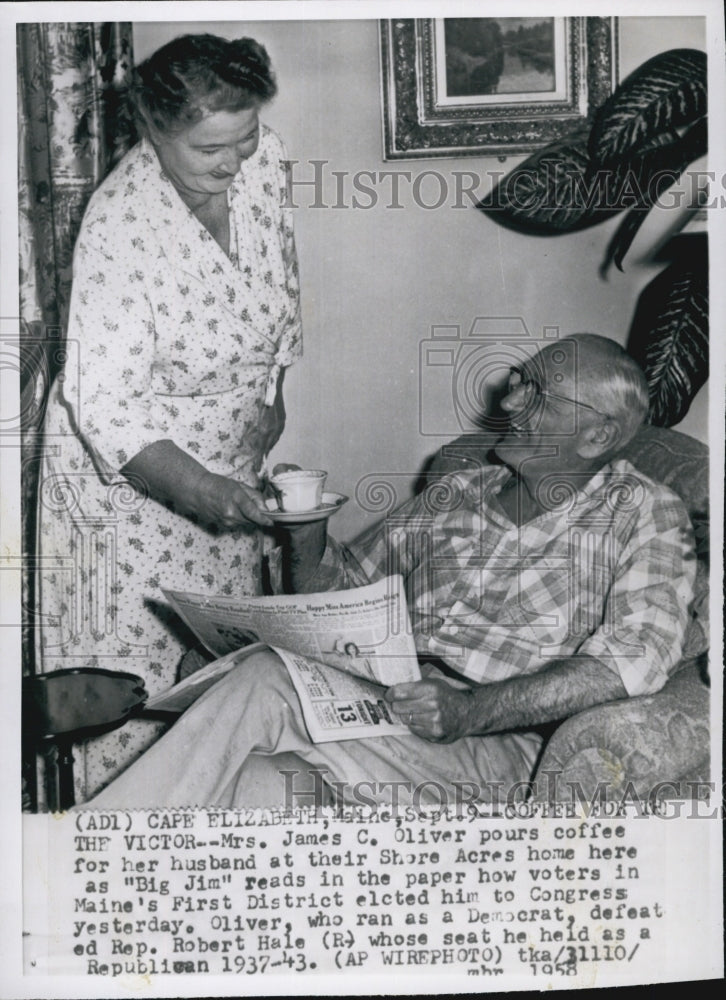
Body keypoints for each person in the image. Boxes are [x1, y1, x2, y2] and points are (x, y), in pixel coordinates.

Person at [86, 335, 696, 810]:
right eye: (518, 381)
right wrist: (306, 532)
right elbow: (334, 593)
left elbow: (631, 662)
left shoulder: (644, 512)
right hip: (386, 711)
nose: (509, 402)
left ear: (597, 435)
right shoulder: (456, 492)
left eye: (538, 394)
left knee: (269, 681)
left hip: (495, 745)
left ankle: (79, 868)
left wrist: (471, 710)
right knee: (256, 785)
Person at [36, 34, 302, 801]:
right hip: (129, 489)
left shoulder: (267, 161)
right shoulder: (121, 224)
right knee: (138, 684)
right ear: (154, 130)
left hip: (226, 466)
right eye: (211, 147)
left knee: (214, 672)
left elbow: (281, 293)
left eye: (245, 136)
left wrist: (272, 398)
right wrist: (201, 491)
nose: (235, 162)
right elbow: (104, 402)